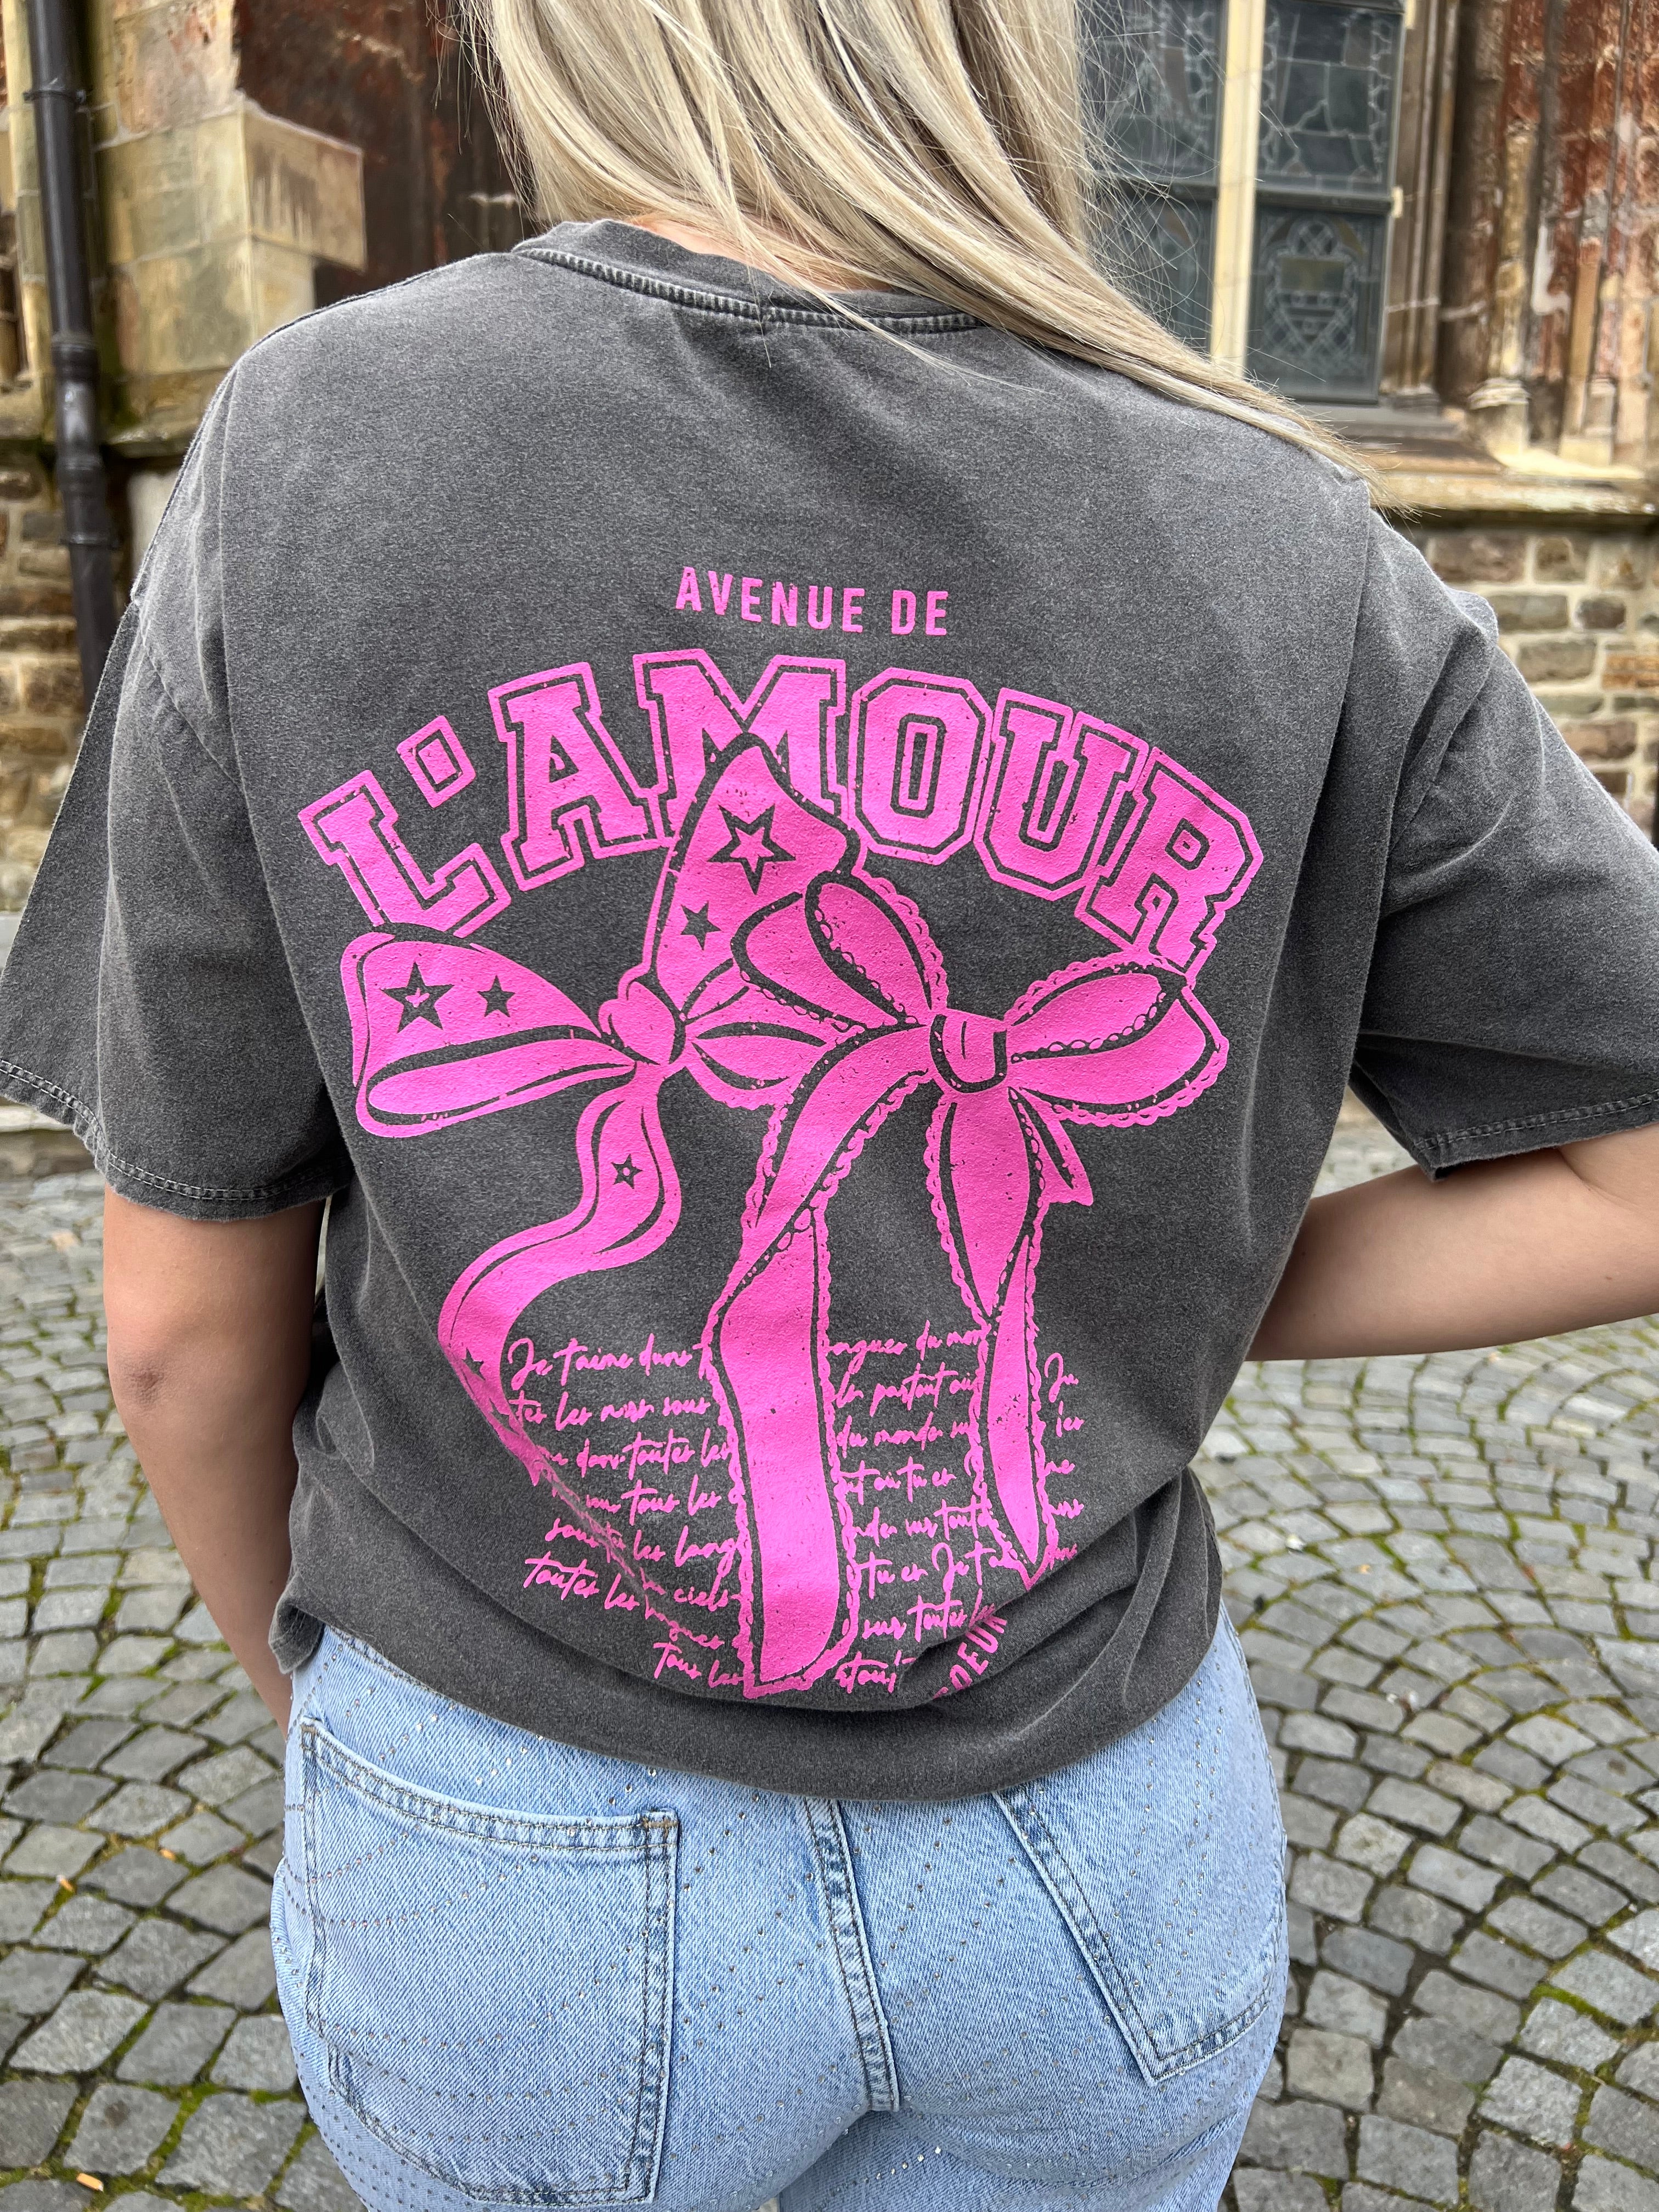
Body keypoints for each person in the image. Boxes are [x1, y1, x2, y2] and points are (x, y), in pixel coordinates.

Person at [3, 1, 1659, 2205]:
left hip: (508, 1826)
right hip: (1093, 1859)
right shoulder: (1288, 533)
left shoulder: (317, 445)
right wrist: (1164, 1277)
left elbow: (176, 1337)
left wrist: (324, 1709)